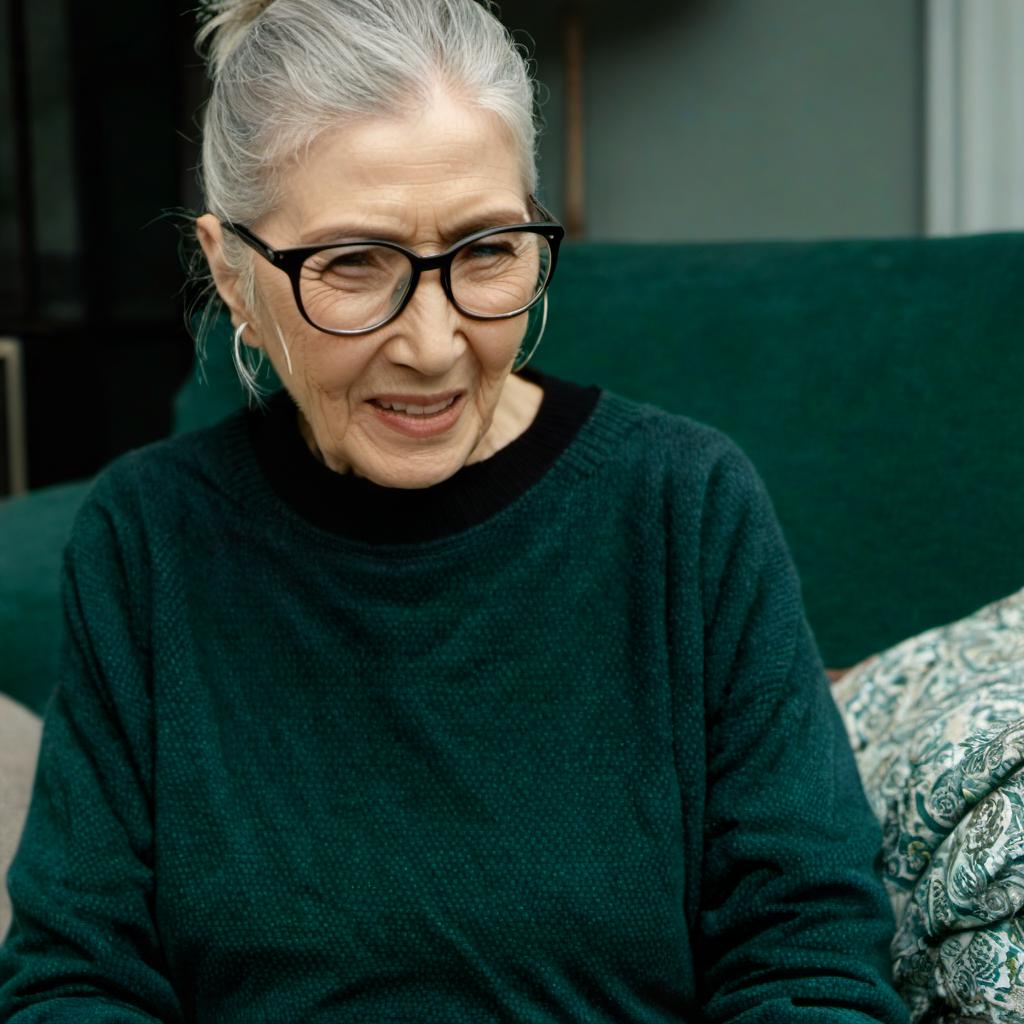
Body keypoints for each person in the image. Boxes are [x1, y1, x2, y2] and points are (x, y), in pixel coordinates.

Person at [0, 2, 910, 1021]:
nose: (433, 345)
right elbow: (74, 977)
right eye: (351, 264)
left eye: (485, 251)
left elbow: (808, 959)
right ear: (230, 271)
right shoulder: (149, 540)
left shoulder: (683, 508)